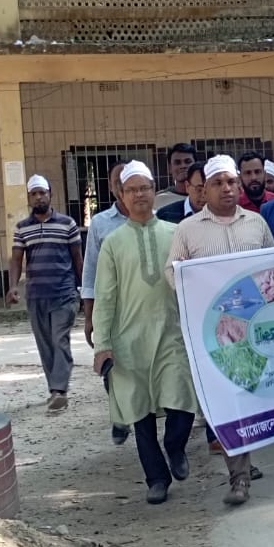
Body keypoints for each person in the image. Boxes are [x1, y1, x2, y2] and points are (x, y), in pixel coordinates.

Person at [166, 155, 274, 505]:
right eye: (217, 183)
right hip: (215, 330)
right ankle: (238, 477)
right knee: (228, 399)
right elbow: (171, 274)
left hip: (256, 327)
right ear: (205, 190)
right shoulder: (188, 230)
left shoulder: (256, 223)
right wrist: (194, 282)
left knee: (257, 393)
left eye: (231, 182)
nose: (226, 188)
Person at [93, 161, 199, 505]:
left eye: (145, 188)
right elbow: (105, 296)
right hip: (129, 339)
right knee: (140, 413)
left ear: (155, 191)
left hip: (172, 332)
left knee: (181, 398)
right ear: (121, 196)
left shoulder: (176, 233)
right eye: (132, 190)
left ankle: (175, 446)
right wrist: (102, 344)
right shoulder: (112, 243)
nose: (139, 195)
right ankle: (156, 478)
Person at [8, 174, 83, 413]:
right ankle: (55, 390)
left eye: (43, 192)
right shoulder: (22, 228)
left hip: (64, 293)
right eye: (34, 194)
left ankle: (59, 390)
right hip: (36, 295)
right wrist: (13, 287)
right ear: (29, 198)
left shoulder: (67, 224)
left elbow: (77, 258)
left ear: (50, 194)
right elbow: (16, 259)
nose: (39, 197)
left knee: (60, 339)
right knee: (45, 344)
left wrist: (85, 289)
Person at [80, 161, 132, 444]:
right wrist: (89, 318)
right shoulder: (101, 223)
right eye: (118, 182)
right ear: (113, 188)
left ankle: (137, 412)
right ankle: (120, 416)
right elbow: (90, 273)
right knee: (112, 366)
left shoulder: (156, 218)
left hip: (144, 306)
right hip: (111, 308)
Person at [154, 143, 196, 210]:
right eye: (177, 162)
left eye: (188, 162)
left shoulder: (207, 197)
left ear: (196, 164)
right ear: (170, 168)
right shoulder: (159, 200)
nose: (183, 166)